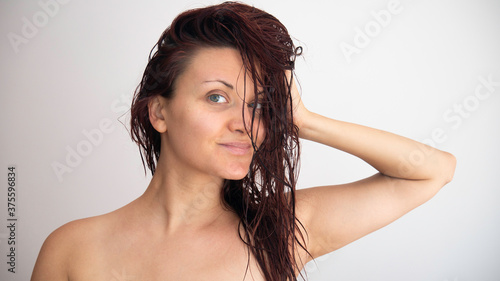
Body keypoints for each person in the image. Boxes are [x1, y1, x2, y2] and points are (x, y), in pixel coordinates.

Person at [31, 2, 456, 281]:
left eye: (258, 105)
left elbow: (431, 171)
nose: (245, 123)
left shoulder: (280, 232)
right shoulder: (72, 250)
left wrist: (302, 121)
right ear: (159, 112)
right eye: (218, 97)